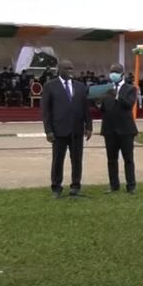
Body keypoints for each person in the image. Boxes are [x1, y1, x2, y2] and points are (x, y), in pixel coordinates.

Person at [41, 60, 92, 198]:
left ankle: (75, 186)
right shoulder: (50, 86)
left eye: (72, 68)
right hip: (58, 131)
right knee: (58, 160)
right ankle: (56, 188)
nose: (71, 71)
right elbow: (46, 111)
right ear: (60, 70)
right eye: (67, 68)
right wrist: (48, 130)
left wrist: (89, 126)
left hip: (77, 130)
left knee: (77, 160)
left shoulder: (80, 87)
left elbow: (86, 108)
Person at [98, 63, 138, 195]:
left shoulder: (130, 89)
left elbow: (128, 105)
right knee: (111, 159)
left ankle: (131, 186)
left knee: (128, 159)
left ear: (122, 74)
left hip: (126, 130)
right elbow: (103, 109)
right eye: (111, 72)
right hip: (109, 129)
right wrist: (99, 101)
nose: (113, 74)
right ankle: (113, 185)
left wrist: (116, 95)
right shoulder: (107, 89)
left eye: (116, 72)